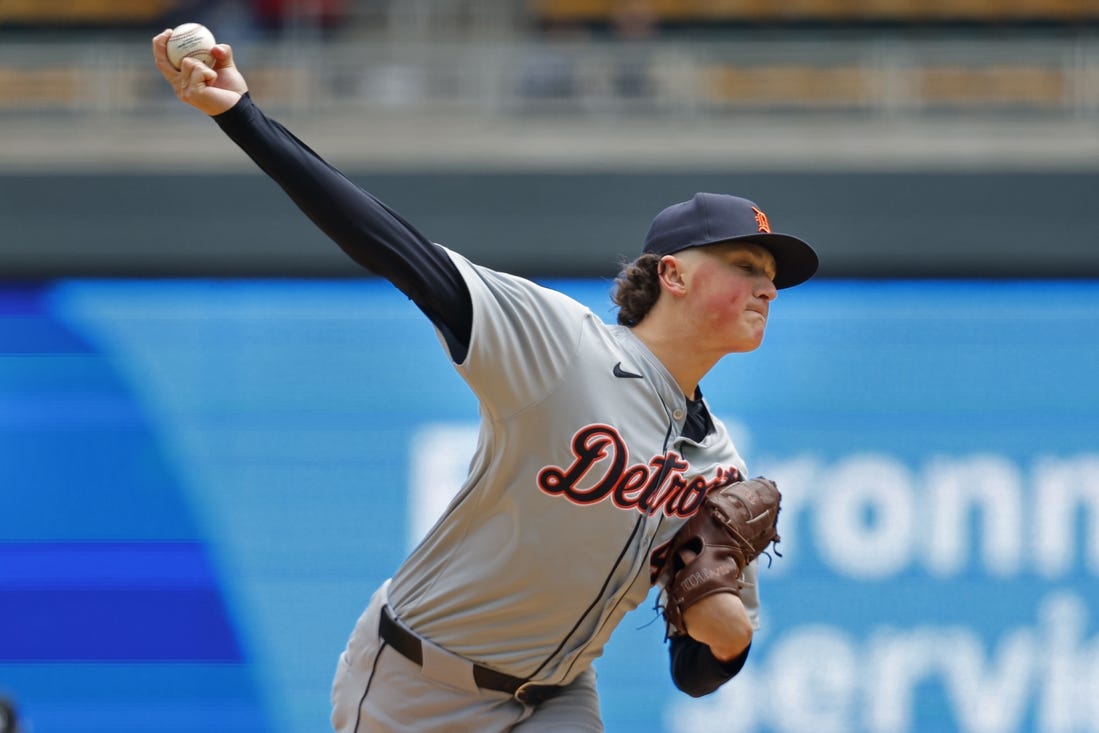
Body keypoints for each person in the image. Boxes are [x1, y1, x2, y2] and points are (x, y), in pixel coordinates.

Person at [151, 29, 818, 733]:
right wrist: (242, 117)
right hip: (416, 680)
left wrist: (728, 635)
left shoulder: (719, 468)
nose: (767, 288)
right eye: (746, 265)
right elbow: (391, 244)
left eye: (772, 278)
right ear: (673, 274)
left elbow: (695, 673)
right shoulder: (561, 347)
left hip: (556, 694)